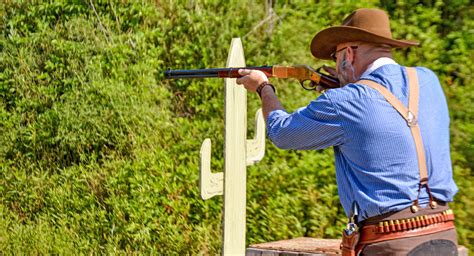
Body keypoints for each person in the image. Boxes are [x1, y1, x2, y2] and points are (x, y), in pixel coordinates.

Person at [237, 8, 458, 256]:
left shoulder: (345, 100)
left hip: (390, 243)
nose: (335, 64)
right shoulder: (428, 80)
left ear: (349, 54)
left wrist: (263, 88)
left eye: (335, 56)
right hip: (443, 233)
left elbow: (282, 133)